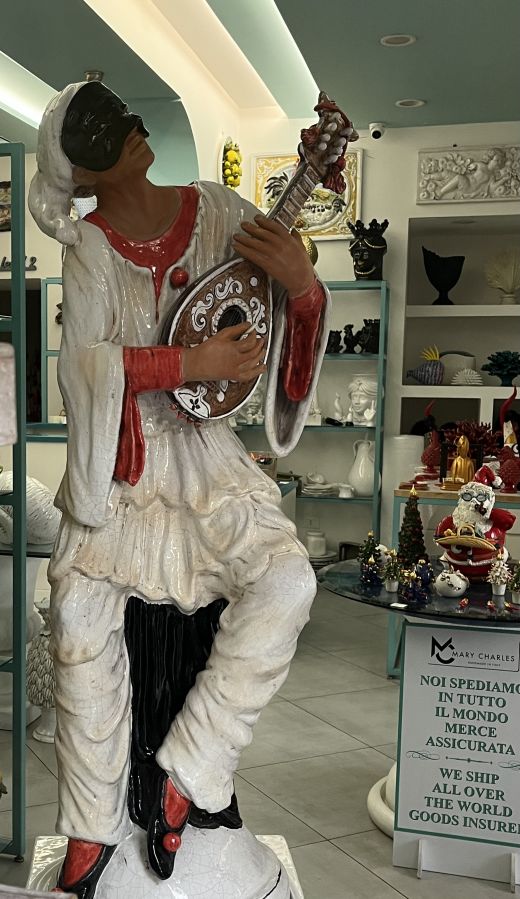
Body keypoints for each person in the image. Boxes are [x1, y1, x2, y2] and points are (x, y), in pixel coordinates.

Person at [29, 81, 337, 897]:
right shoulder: (90, 250)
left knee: (288, 581)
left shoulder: (218, 210)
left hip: (207, 458)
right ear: (80, 171)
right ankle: (93, 825)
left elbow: (278, 308)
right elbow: (82, 366)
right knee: (77, 617)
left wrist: (302, 282)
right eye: (101, 129)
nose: (129, 125)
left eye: (120, 112)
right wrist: (186, 363)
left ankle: (192, 767)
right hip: (128, 465)